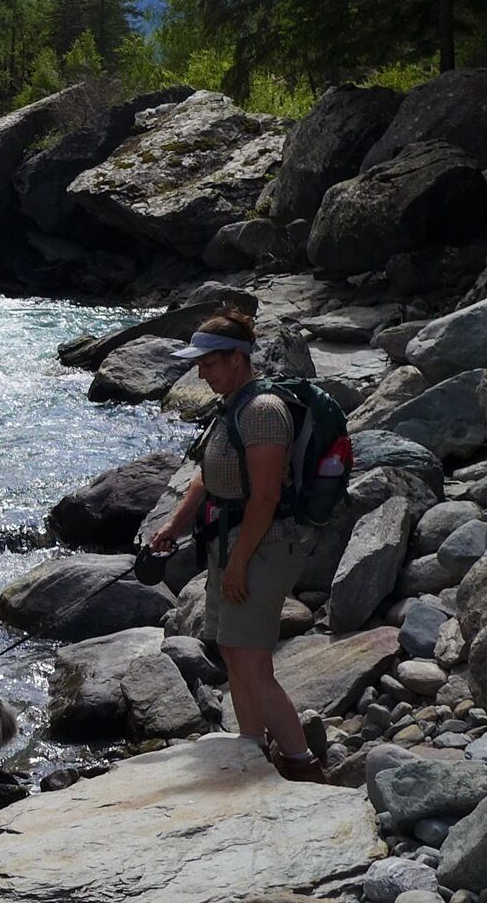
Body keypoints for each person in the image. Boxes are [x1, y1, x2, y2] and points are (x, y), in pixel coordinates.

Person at [146, 312, 325, 783]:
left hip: (264, 544)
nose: (200, 372)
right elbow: (207, 477)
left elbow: (265, 497)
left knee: (249, 658)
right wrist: (174, 524)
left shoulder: (263, 411)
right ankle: (251, 747)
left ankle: (302, 764)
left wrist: (239, 564)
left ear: (237, 358)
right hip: (230, 540)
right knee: (230, 645)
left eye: (208, 362)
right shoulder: (230, 407)